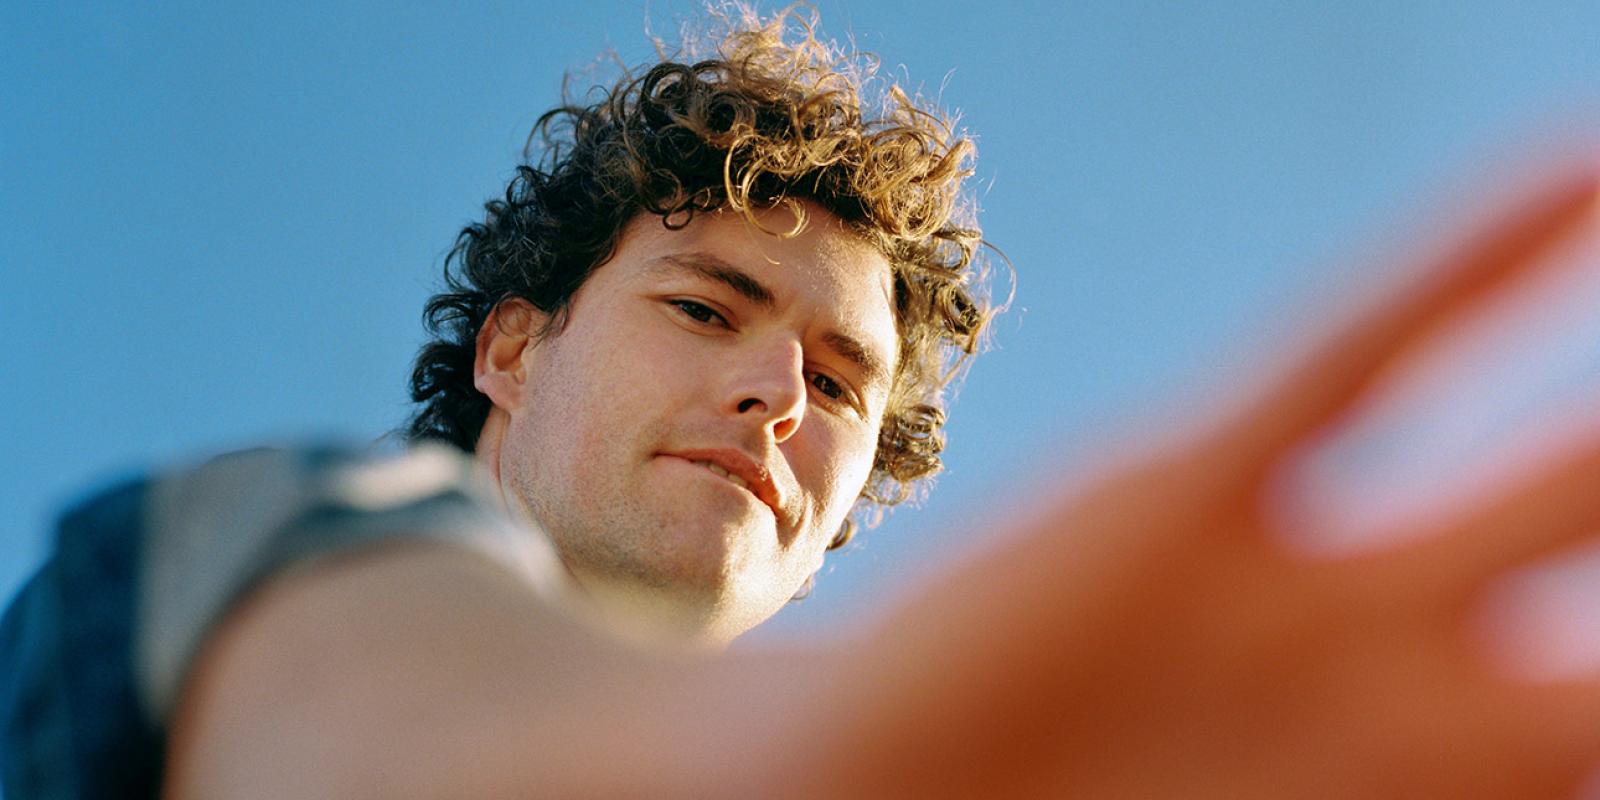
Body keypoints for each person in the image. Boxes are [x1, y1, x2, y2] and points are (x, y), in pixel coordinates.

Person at [5, 6, 1600, 799]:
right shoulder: (240, 554)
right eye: (705, 308)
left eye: (841, 382)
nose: (778, 391)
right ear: (513, 350)